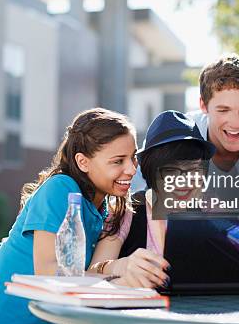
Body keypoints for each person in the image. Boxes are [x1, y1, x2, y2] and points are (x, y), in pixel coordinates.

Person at [0, 108, 139, 324]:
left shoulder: (107, 209)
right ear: (83, 162)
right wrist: (115, 269)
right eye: (118, 161)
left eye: (133, 158)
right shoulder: (60, 188)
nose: (132, 169)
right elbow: (50, 275)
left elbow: (92, 283)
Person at [132, 55, 239, 256]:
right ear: (203, 105)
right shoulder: (184, 131)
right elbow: (139, 189)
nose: (235, 123)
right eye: (223, 110)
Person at [87, 110, 216, 289]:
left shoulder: (213, 212)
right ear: (151, 171)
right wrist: (122, 269)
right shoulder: (128, 210)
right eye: (170, 170)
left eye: (194, 169)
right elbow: (91, 273)